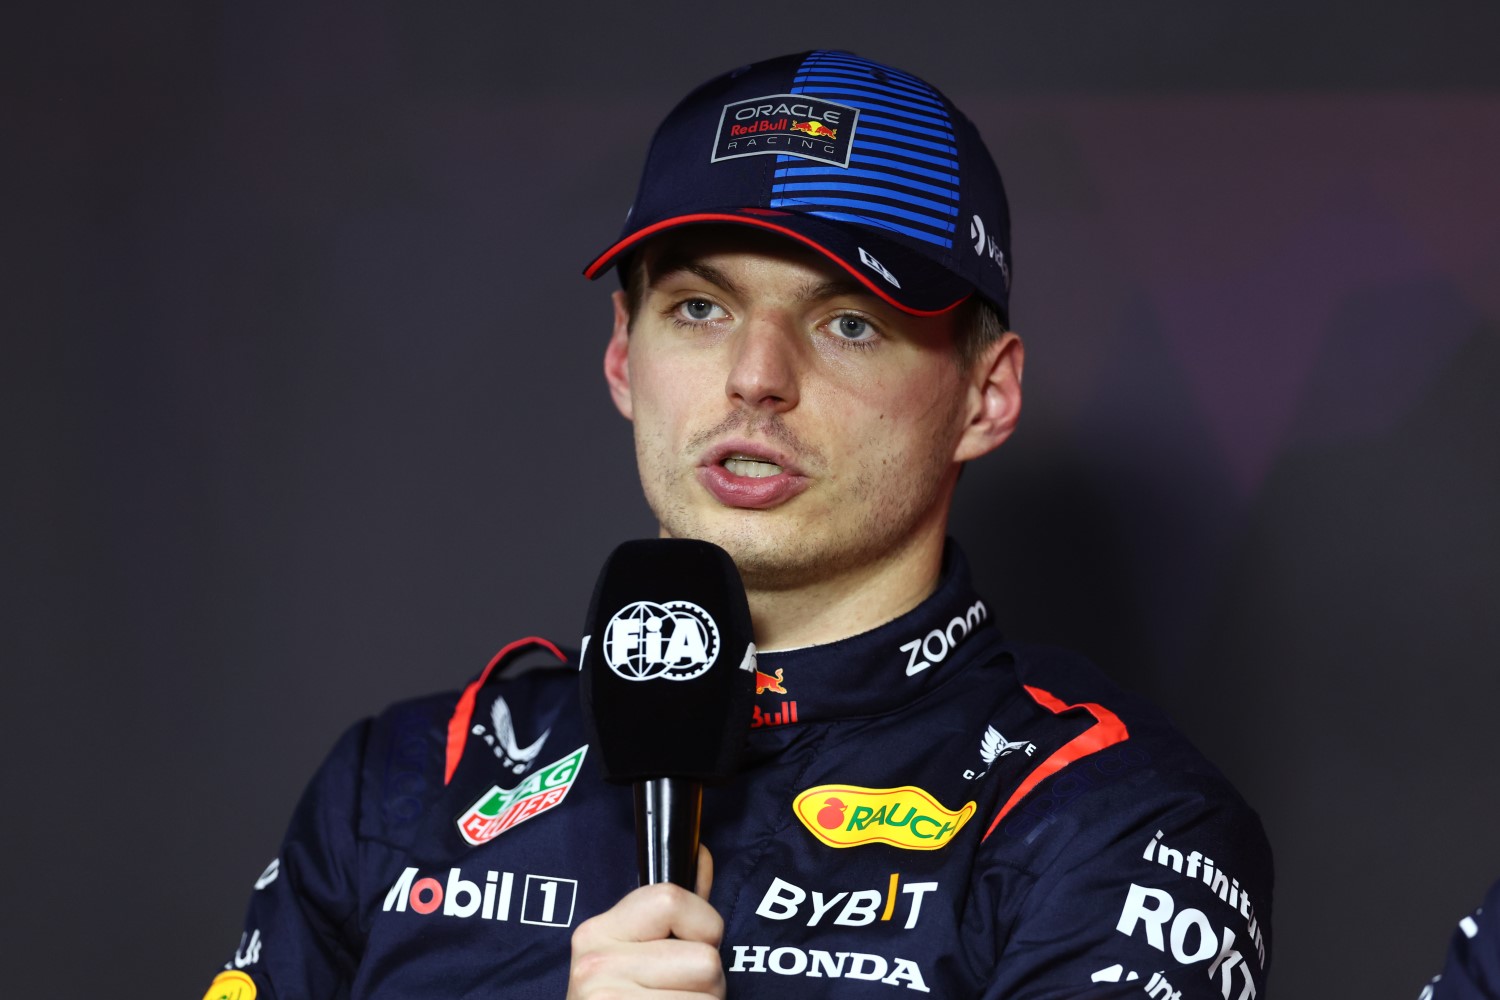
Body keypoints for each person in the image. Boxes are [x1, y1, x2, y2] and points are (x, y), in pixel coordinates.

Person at [204, 50, 1272, 999]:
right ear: (625, 354)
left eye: (848, 322)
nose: (756, 378)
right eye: (701, 310)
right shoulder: (403, 784)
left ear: (985, 396)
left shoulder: (1107, 820)